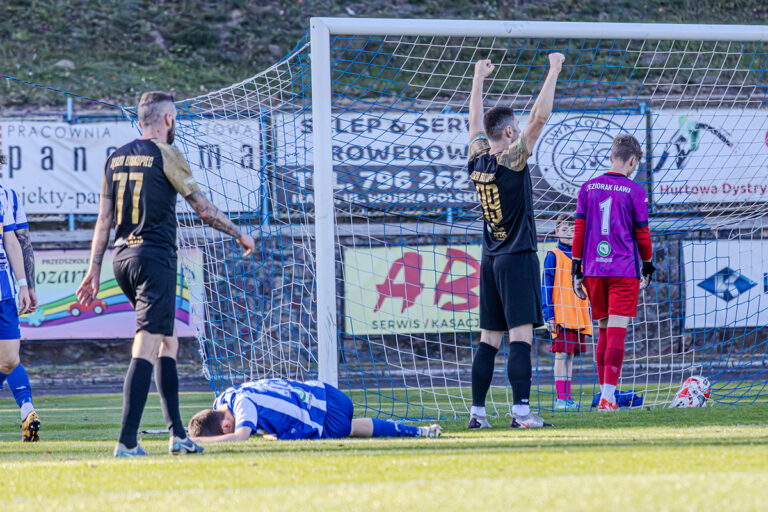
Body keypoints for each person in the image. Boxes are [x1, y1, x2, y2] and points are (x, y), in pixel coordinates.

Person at [76, 91, 256, 456]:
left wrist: (93, 269)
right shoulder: (167, 153)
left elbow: (104, 219)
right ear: (168, 120)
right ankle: (127, 441)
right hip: (154, 259)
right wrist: (238, 233)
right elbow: (203, 209)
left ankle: (178, 435)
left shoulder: (115, 158)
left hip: (122, 259)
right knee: (146, 344)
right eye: (175, 118)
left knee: (167, 343)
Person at [466, 53, 564, 429]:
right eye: (516, 128)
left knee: (489, 339)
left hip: (490, 258)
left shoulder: (478, 159)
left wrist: (478, 76)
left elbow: (474, 122)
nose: (521, 130)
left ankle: (478, 414)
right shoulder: (512, 160)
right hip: (517, 255)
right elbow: (539, 118)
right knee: (521, 336)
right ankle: (521, 413)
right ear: (508, 133)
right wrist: (553, 69)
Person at [571, 134, 655, 411]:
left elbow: (579, 230)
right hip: (623, 269)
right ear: (632, 161)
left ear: (611, 157)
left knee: (603, 332)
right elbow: (642, 234)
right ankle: (608, 396)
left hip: (594, 269)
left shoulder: (587, 188)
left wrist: (576, 268)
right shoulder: (635, 191)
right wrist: (648, 265)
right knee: (617, 332)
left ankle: (605, 395)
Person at [188, 378, 442, 442]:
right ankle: (420, 431)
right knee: (354, 427)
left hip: (323, 415)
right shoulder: (225, 397)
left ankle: (418, 432)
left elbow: (241, 436)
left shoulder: (243, 405)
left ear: (225, 426)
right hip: (325, 392)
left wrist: (200, 442)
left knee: (349, 430)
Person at [0, 157, 40, 441]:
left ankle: (27, 411)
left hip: (3, 288)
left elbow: (15, 240)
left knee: (9, 359)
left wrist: (25, 284)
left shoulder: (7, 195)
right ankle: (26, 407)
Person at [541, 213, 592, 410]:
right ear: (556, 232)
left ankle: (568, 398)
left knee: (570, 356)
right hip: (560, 316)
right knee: (561, 355)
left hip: (577, 315)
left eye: (572, 229)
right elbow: (546, 287)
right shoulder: (553, 256)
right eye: (564, 229)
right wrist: (549, 315)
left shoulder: (582, 257)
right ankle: (561, 399)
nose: (569, 233)